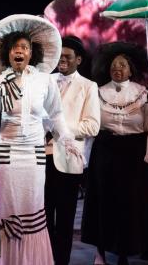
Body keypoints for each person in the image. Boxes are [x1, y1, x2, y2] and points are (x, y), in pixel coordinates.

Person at [0, 14, 80, 265]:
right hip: (6, 153)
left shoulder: (43, 81)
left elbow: (55, 114)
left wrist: (67, 140)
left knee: (32, 209)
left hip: (34, 156)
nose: (19, 51)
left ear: (31, 53)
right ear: (9, 53)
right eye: (15, 47)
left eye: (24, 47)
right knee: (6, 207)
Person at [81, 41, 148, 265]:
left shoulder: (143, 93)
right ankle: (101, 252)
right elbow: (92, 126)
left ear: (131, 69)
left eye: (123, 65)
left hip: (134, 154)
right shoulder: (98, 92)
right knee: (104, 201)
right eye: (114, 65)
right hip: (106, 152)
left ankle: (125, 252)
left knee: (130, 204)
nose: (118, 68)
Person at [45, 36, 100, 265]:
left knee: (65, 220)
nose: (63, 59)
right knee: (43, 218)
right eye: (60, 55)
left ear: (79, 59)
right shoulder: (44, 81)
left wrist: (61, 129)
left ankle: (61, 261)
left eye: (68, 56)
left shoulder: (88, 86)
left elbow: (93, 125)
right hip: (40, 158)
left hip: (68, 159)